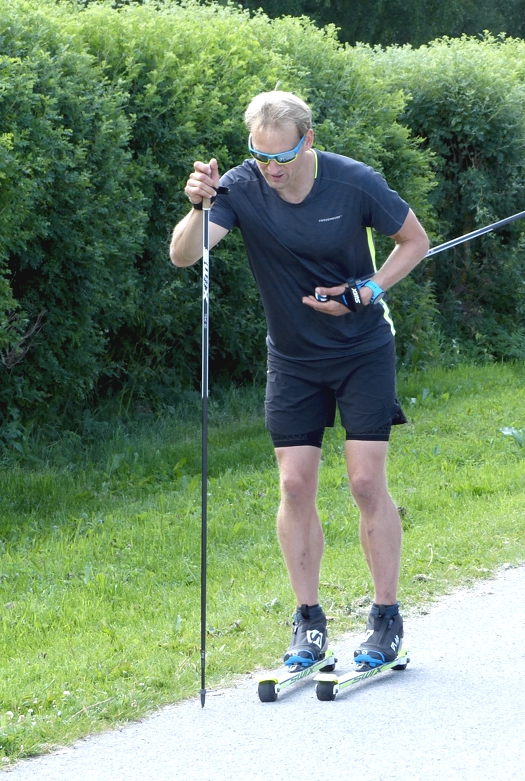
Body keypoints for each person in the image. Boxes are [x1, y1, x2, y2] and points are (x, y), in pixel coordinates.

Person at [169, 90, 429, 672]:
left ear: (308, 140)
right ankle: (308, 622)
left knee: (365, 482)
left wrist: (369, 290)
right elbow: (184, 256)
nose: (273, 170)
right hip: (293, 358)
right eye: (261, 157)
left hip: (362, 348)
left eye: (282, 157)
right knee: (294, 485)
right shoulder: (238, 187)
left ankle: (386, 619)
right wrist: (197, 207)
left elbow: (415, 242)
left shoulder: (354, 182)